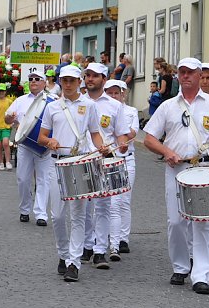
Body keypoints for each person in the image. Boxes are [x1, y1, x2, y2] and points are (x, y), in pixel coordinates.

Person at [143, 57, 209, 295]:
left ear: (199, 75)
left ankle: (201, 275)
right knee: (176, 221)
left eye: (190, 73)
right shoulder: (168, 106)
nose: (185, 76)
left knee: (203, 223)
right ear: (178, 76)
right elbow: (149, 138)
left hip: (205, 169)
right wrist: (167, 152)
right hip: (177, 169)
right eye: (182, 72)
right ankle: (181, 266)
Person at [36, 65, 110, 282]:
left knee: (78, 215)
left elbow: (95, 134)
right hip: (56, 163)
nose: (67, 84)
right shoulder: (52, 107)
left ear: (80, 81)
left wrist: (102, 147)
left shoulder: (89, 106)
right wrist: (50, 141)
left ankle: (74, 263)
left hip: (80, 163)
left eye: (71, 80)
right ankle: (63, 253)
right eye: (64, 80)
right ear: (60, 82)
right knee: (57, 216)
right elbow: (41, 136)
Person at [79, 63, 130, 269]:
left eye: (94, 76)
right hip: (82, 159)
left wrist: (122, 145)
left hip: (105, 159)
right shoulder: (78, 102)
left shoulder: (114, 106)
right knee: (83, 206)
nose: (90, 79)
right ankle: (86, 245)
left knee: (103, 207)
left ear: (104, 79)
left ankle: (100, 250)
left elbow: (121, 136)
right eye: (87, 75)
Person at [4, 69, 51, 225]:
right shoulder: (21, 100)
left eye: (37, 79)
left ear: (44, 83)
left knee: (43, 179)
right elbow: (7, 119)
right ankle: (25, 209)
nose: (34, 81)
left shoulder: (52, 100)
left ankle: (41, 214)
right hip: (25, 144)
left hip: (45, 146)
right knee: (23, 179)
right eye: (31, 79)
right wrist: (10, 118)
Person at [104, 80, 139, 259]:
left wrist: (118, 131)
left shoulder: (131, 112)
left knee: (123, 201)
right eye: (109, 93)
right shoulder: (101, 109)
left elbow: (131, 134)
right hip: (107, 159)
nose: (113, 96)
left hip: (126, 160)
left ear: (122, 94)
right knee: (108, 203)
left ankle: (122, 238)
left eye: (116, 93)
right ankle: (107, 237)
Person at [0, 84, 13, 171]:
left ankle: (8, 162)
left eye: (3, 91)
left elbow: (13, 111)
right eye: (0, 91)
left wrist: (12, 121)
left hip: (6, 126)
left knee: (5, 143)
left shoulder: (9, 101)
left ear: (5, 92)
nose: (1, 92)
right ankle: (1, 163)